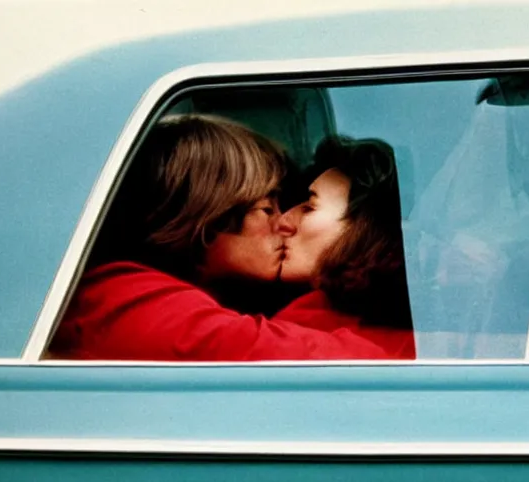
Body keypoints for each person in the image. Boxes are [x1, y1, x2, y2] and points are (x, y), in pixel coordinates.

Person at [50, 114, 393, 361]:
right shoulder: (120, 298)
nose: (284, 221)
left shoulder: (230, 296)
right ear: (208, 216)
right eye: (267, 208)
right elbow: (353, 364)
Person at [273, 136, 416, 359]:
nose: (283, 221)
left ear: (364, 229)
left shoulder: (308, 331)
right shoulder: (425, 340)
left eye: (310, 207)